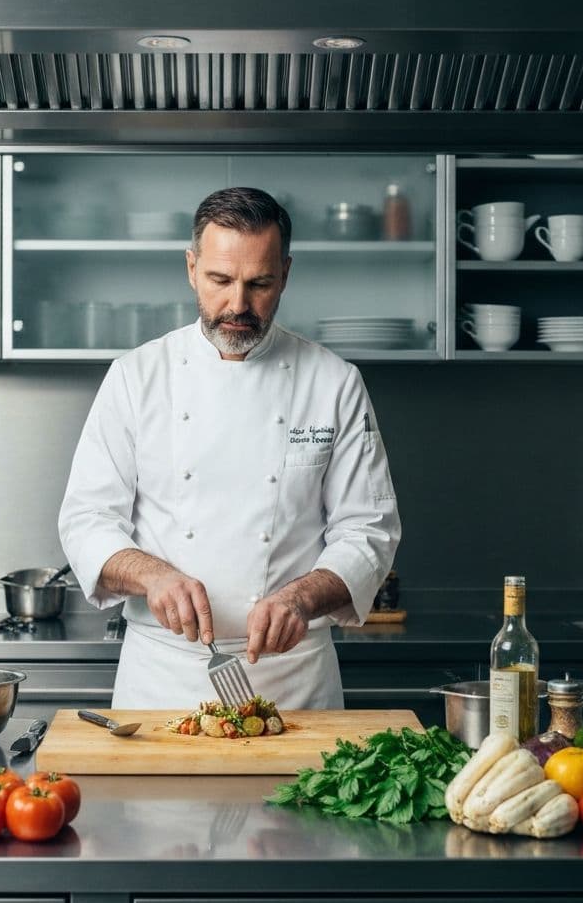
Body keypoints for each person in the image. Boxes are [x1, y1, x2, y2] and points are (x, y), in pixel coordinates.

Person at [58, 187, 400, 709]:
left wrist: (300, 598)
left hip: (294, 679)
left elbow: (369, 529)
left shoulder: (333, 382)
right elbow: (86, 520)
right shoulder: (135, 377)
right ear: (191, 268)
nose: (238, 305)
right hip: (163, 677)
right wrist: (154, 576)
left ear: (285, 274)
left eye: (259, 283)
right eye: (220, 280)